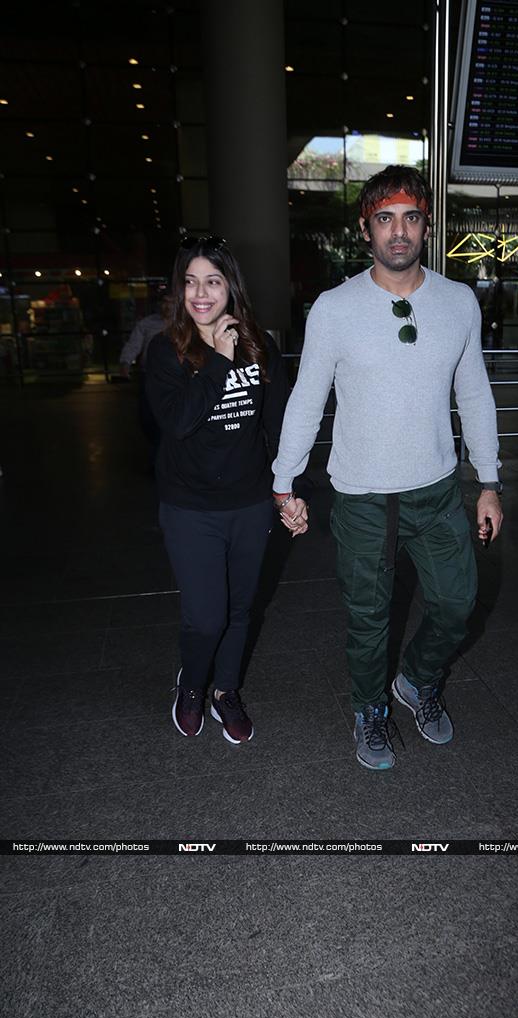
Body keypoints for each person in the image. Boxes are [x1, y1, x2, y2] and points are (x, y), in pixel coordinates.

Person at [271, 165, 502, 771]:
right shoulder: (334, 308)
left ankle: (417, 679)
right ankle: (369, 709)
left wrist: (489, 483)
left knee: (457, 603)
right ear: (365, 228)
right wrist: (283, 479)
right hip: (364, 497)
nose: (398, 231)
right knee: (369, 620)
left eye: (410, 217)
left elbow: (474, 393)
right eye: (384, 219)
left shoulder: (457, 302)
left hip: (437, 491)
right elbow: (306, 397)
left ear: (426, 225)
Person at [146, 235, 291, 742]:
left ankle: (225, 691)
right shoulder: (165, 351)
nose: (200, 294)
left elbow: (276, 424)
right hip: (190, 508)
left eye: (212, 281)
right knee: (206, 617)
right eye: (190, 282)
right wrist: (218, 361)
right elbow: (180, 422)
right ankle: (191, 684)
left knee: (241, 609)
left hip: (249, 505)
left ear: (230, 286)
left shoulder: (260, 345)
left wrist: (287, 489)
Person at [119, 307, 165, 458]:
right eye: (163, 302)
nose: (167, 306)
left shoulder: (187, 321)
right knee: (148, 416)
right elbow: (134, 344)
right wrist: (126, 363)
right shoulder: (148, 323)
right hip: (150, 375)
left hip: (176, 376)